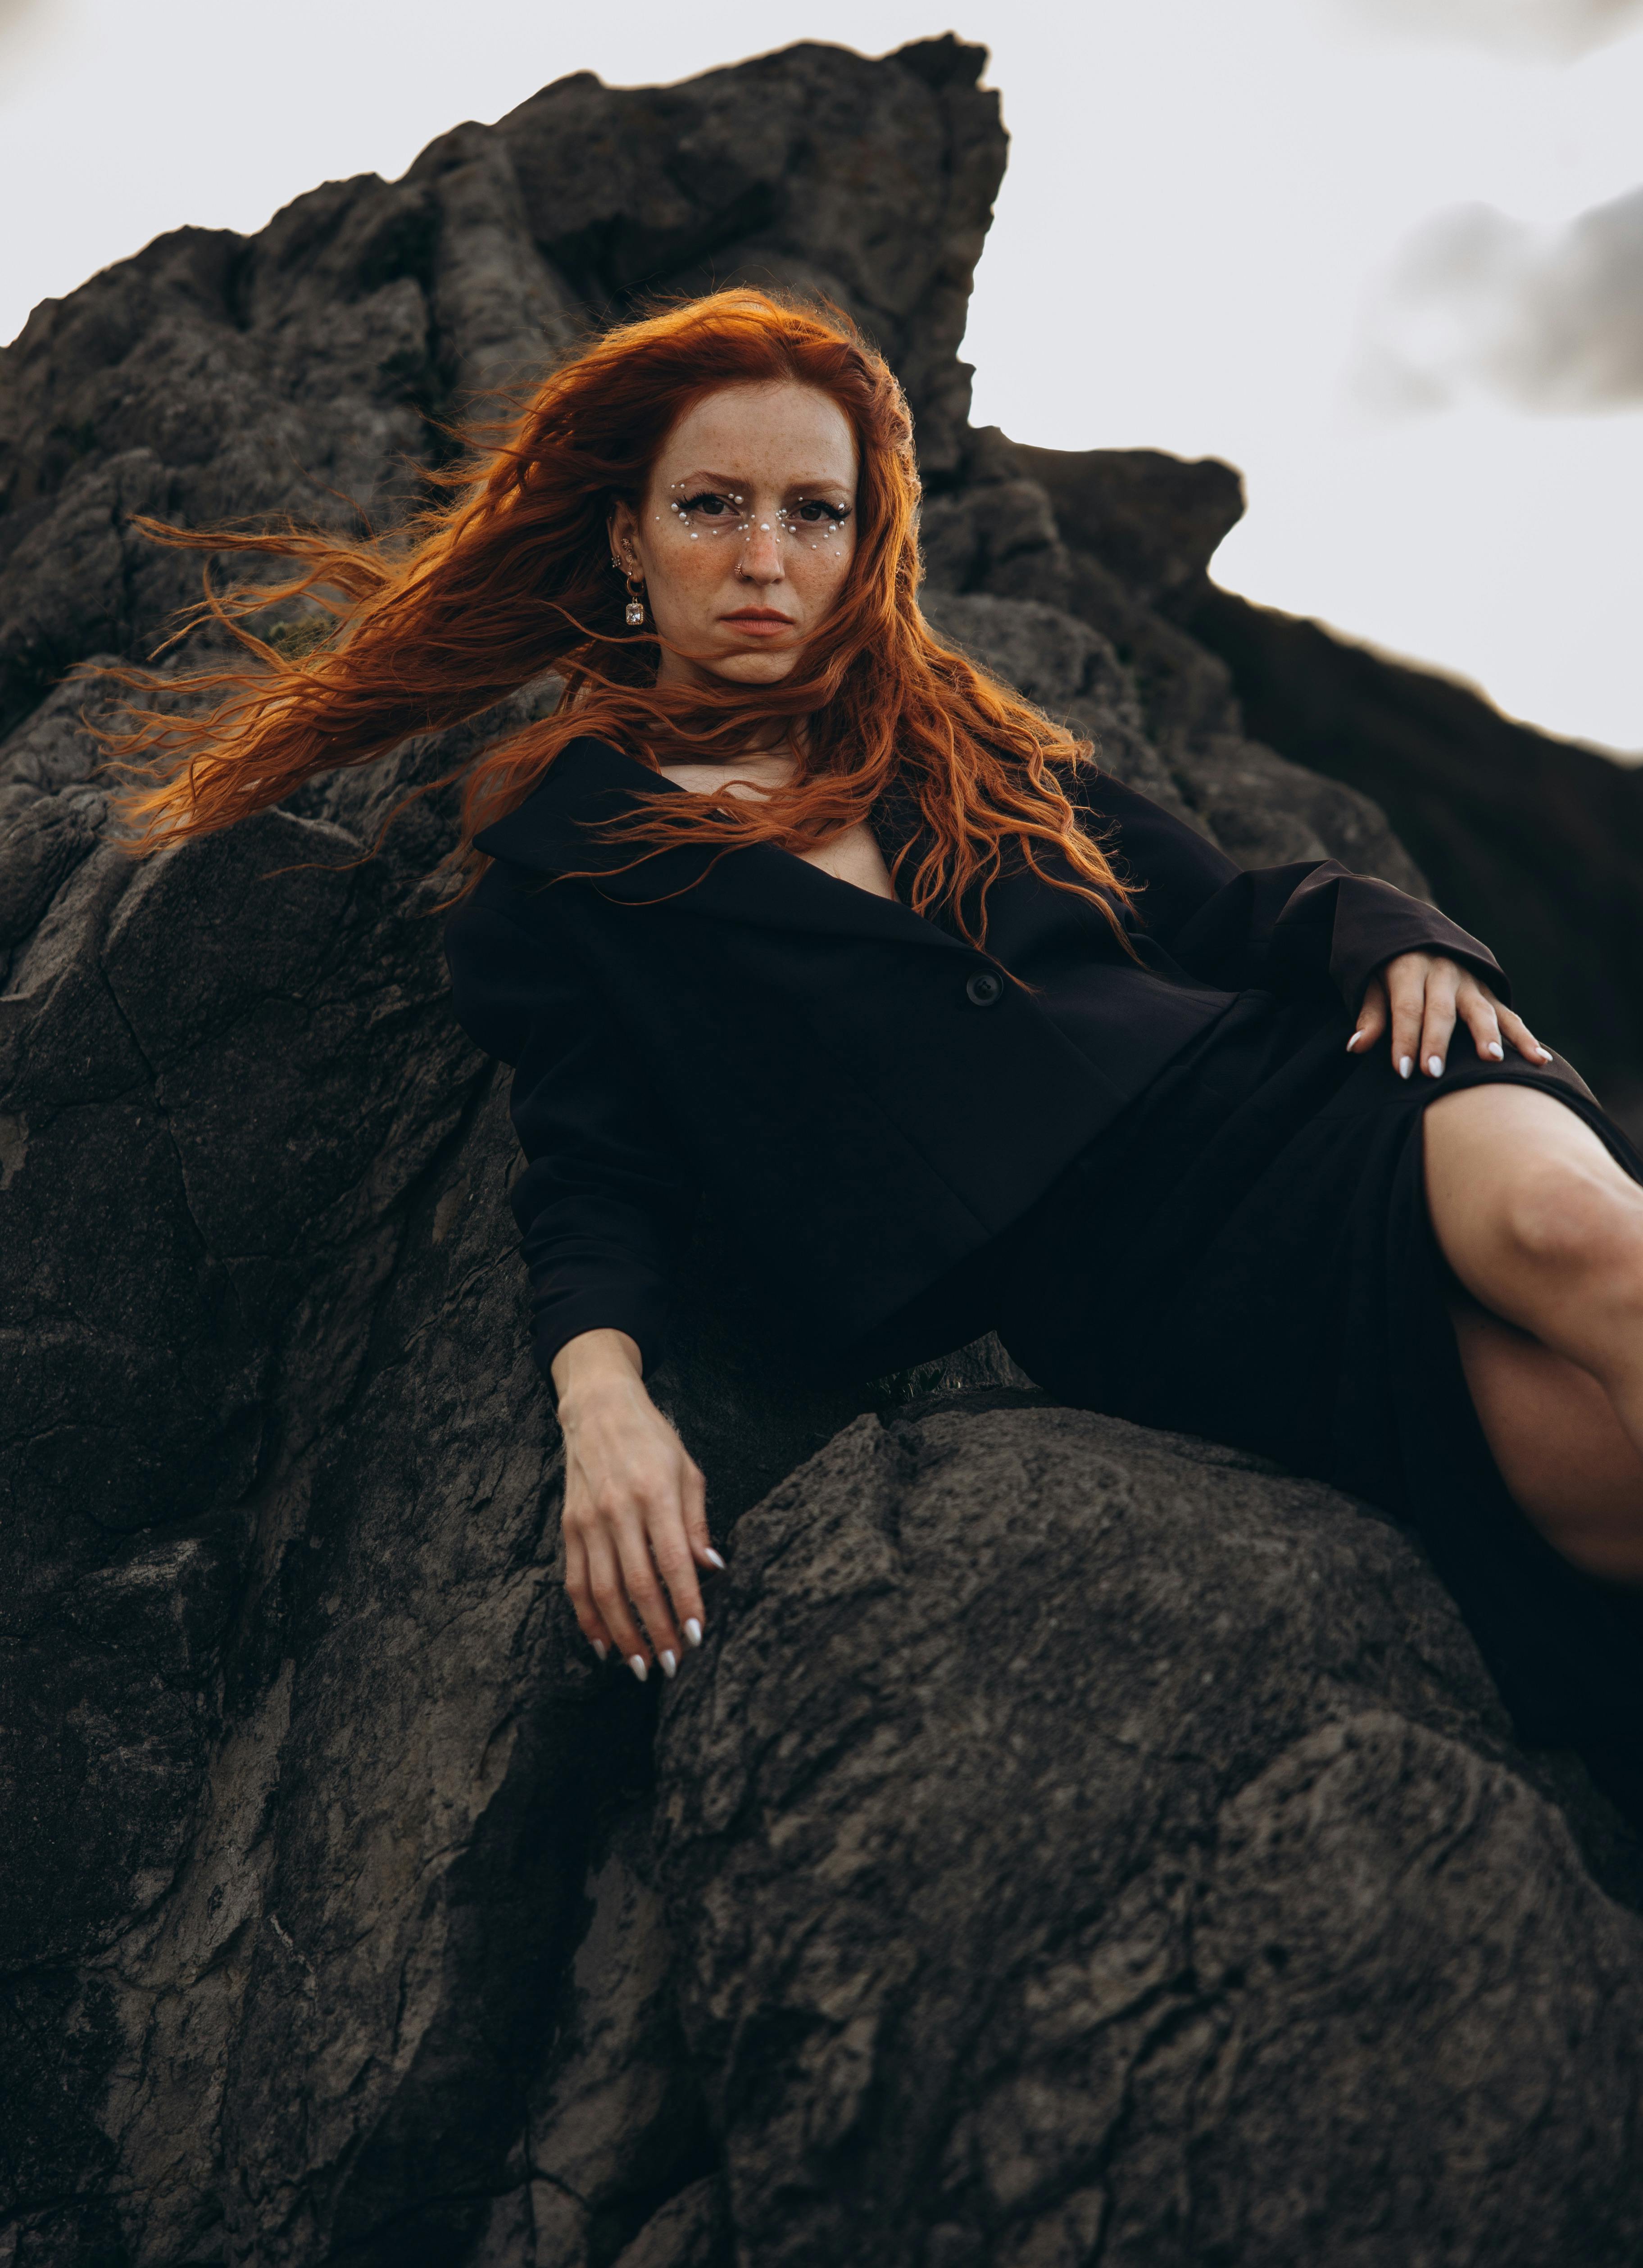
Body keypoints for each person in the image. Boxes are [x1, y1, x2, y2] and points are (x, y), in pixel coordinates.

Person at [102, 290, 1643, 1809]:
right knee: (1605, 1506)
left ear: (863, 542)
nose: (765, 557)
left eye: (813, 513)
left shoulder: (953, 726)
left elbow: (1226, 903)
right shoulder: (559, 873)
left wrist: (1404, 935)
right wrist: (605, 1404)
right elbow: (594, 1172)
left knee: (1592, 1234)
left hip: (1323, 1090)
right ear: (630, 536)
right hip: (1158, 1287)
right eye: (713, 506)